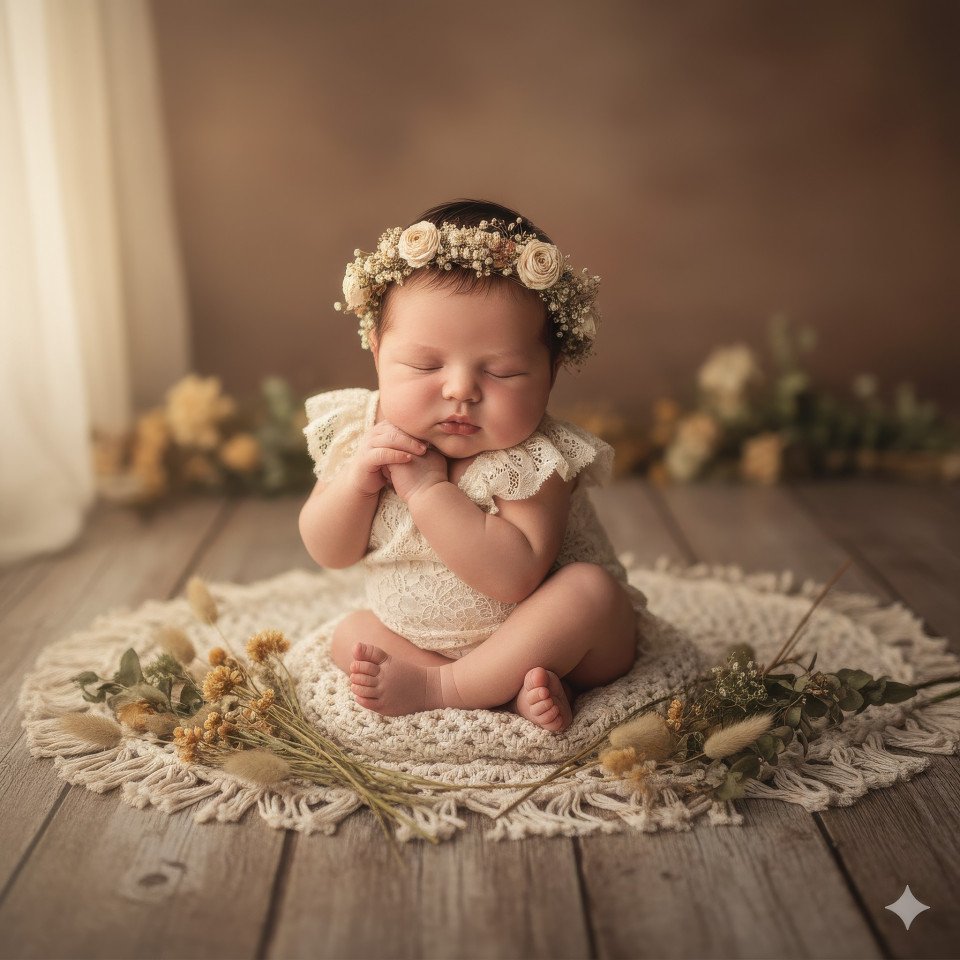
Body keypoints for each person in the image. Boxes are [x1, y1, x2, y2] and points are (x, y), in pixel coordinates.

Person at [298, 198, 653, 733]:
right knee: (350, 634)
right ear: (375, 352)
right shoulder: (364, 430)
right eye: (424, 365)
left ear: (551, 373)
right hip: (421, 637)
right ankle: (501, 692)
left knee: (589, 592)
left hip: (564, 645)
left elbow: (513, 577)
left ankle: (446, 687)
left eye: (504, 373)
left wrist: (427, 493)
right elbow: (328, 549)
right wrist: (355, 484)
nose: (461, 389)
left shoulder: (531, 458)